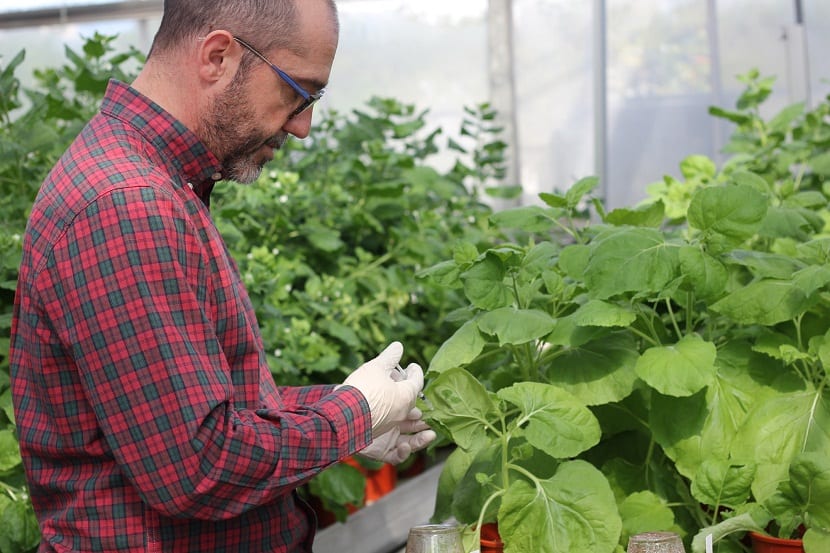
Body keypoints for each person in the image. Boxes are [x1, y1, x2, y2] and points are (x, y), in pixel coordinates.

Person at [9, 0, 436, 551]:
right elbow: (196, 466)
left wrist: (343, 411)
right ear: (217, 56)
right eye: (298, 92)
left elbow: (200, 408)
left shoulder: (150, 182)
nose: (303, 126)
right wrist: (353, 415)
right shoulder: (126, 206)